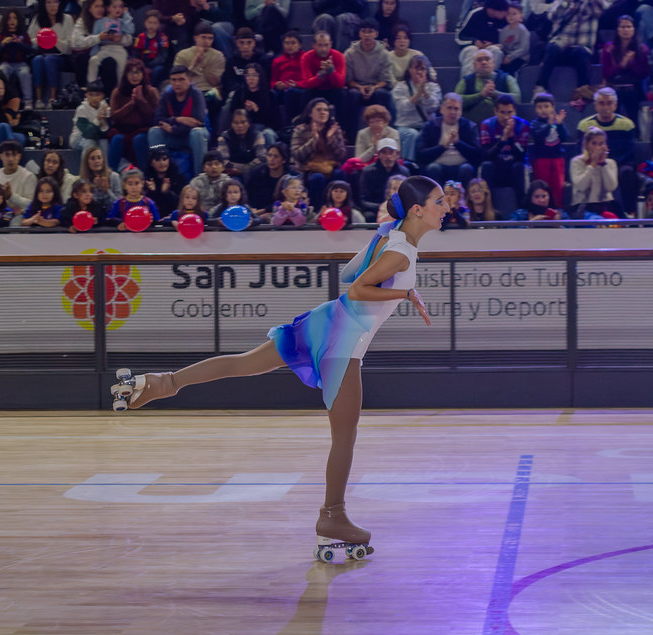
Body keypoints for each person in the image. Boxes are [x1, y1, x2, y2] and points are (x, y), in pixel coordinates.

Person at [113, 175, 448, 560]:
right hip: (342, 339)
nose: (447, 207)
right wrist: (404, 292)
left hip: (326, 321)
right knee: (345, 432)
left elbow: (346, 275)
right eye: (440, 201)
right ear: (419, 210)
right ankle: (332, 516)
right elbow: (357, 289)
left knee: (247, 364)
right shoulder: (401, 251)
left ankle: (162, 382)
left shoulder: (392, 239)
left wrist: (382, 239)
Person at [576, 86, 638, 214]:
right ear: (595, 106)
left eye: (609, 103)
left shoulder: (627, 125)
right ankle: (586, 213)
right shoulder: (584, 125)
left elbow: (630, 153)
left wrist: (609, 162)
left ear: (615, 105)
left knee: (628, 172)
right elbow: (581, 151)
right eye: (601, 103)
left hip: (620, 163)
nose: (605, 107)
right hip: (592, 162)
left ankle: (629, 213)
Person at [147, 65, 211, 178]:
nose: (177, 83)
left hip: (191, 137)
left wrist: (173, 128)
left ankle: (200, 177)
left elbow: (198, 122)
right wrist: (177, 119)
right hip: (174, 135)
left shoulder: (196, 94)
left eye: (181, 79)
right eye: (174, 80)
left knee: (197, 133)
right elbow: (157, 119)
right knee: (154, 131)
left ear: (189, 81)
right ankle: (157, 176)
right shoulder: (166, 94)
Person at [534, 0, 605, 95]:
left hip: (582, 48)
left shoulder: (590, 4)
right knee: (552, 48)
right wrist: (563, 4)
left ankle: (583, 89)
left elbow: (603, 7)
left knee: (579, 51)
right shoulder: (562, 3)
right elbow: (551, 17)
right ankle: (540, 86)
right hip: (561, 47)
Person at [290, 97, 348, 210]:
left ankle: (339, 210)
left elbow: (342, 155)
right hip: (308, 170)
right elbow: (297, 155)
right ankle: (316, 211)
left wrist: (331, 139)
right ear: (310, 113)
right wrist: (314, 141)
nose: (323, 113)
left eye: (326, 110)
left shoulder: (334, 130)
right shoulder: (300, 130)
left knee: (339, 175)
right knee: (318, 178)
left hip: (331, 168)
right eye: (319, 110)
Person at [415, 93, 482, 187]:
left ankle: (466, 201)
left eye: (456, 108)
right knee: (433, 168)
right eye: (449, 108)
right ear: (442, 109)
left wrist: (458, 143)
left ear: (461, 111)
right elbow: (420, 155)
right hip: (438, 166)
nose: (453, 112)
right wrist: (442, 147)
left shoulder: (469, 126)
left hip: (461, 166)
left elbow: (478, 155)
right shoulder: (430, 126)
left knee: (467, 169)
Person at [344, 19, 395, 138]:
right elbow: (348, 79)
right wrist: (359, 87)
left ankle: (383, 135)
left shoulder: (384, 53)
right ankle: (351, 137)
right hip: (357, 87)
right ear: (359, 34)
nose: (367, 35)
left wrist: (374, 87)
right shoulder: (350, 53)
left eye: (370, 32)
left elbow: (386, 80)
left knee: (383, 95)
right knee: (352, 95)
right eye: (363, 31)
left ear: (376, 34)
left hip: (376, 87)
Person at [107, 58, 159, 171]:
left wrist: (141, 101)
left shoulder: (151, 91)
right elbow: (114, 117)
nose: (135, 76)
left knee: (139, 140)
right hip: (122, 129)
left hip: (142, 129)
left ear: (143, 74)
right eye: (131, 72)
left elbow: (154, 116)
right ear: (126, 74)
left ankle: (145, 177)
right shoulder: (118, 92)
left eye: (138, 72)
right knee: (117, 139)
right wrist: (131, 104)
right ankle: (110, 176)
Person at [172, 21, 225, 128]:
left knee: (212, 99)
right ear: (195, 38)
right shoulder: (182, 54)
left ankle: (210, 135)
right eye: (203, 37)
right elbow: (177, 79)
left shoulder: (218, 56)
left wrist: (204, 65)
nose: (206, 41)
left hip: (209, 91)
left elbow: (216, 82)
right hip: (188, 90)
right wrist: (193, 63)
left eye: (210, 38)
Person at [480, 94, 530, 205]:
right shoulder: (486, 125)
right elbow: (487, 155)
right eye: (502, 112)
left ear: (515, 111)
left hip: (513, 167)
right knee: (487, 165)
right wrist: (503, 139)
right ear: (495, 111)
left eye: (509, 112)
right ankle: (487, 209)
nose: (506, 117)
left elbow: (521, 156)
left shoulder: (523, 125)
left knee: (519, 166)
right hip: (496, 166)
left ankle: (521, 210)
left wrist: (512, 137)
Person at [599, 14, 650, 122]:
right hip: (614, 85)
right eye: (622, 27)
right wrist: (622, 64)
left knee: (629, 93)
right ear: (617, 29)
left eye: (629, 26)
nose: (626, 30)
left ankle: (633, 133)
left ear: (634, 29)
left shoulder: (642, 49)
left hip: (634, 87)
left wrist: (631, 63)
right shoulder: (609, 48)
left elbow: (643, 73)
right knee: (616, 94)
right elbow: (607, 73)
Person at [391, 53, 440, 162]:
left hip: (426, 125)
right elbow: (403, 108)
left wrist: (425, 92)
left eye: (422, 69)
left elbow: (433, 107)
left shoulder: (433, 87)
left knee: (430, 134)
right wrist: (418, 93)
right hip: (405, 126)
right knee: (412, 135)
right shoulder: (400, 87)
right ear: (409, 69)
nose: (419, 72)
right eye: (416, 68)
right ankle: (408, 164)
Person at [28, 0, 75, 110]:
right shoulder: (38, 18)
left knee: (50, 59)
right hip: (41, 54)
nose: (52, 6)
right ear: (43, 5)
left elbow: (69, 47)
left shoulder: (67, 19)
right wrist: (43, 39)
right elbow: (29, 41)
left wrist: (53, 39)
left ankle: (52, 98)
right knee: (37, 60)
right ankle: (39, 100)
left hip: (61, 57)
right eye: (48, 2)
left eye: (55, 2)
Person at [455, 48, 521, 125]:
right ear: (474, 65)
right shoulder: (466, 81)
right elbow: (455, 101)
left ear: (493, 63)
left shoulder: (506, 78)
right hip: (471, 126)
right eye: (479, 60)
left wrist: (495, 93)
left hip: (502, 125)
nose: (483, 62)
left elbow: (517, 99)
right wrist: (481, 95)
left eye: (487, 59)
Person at [529, 92, 569, 209]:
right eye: (540, 107)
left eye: (546, 106)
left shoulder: (558, 122)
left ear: (553, 107)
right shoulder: (535, 124)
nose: (543, 110)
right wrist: (549, 124)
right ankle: (541, 209)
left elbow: (565, 137)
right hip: (542, 159)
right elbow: (538, 135)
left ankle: (557, 209)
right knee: (542, 186)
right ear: (535, 109)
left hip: (557, 159)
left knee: (557, 186)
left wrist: (560, 124)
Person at [222, 63, 280, 143]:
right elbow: (233, 113)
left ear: (260, 77)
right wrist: (244, 111)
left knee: (268, 134)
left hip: (264, 127)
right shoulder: (239, 92)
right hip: (243, 127)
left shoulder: (269, 94)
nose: (251, 78)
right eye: (248, 75)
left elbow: (274, 120)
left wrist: (257, 110)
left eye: (254, 75)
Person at [570, 126, 620, 216]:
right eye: (594, 143)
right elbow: (581, 186)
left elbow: (611, 187)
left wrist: (603, 164)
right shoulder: (576, 162)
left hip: (606, 204)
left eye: (601, 144)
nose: (598, 147)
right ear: (586, 145)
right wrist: (592, 165)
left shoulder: (610, 163)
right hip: (583, 205)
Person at [297, 31, 348, 118]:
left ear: (331, 44)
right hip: (315, 90)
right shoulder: (306, 57)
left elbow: (340, 83)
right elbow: (307, 83)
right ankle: (304, 124)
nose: (323, 49)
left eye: (326, 45)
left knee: (343, 94)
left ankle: (343, 128)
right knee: (305, 94)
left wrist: (332, 72)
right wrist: (321, 75)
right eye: (320, 45)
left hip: (332, 90)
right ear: (314, 45)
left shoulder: (339, 56)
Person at [0, 139, 36, 219]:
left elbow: (32, 204)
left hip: (20, 220)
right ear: (0, 156)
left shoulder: (29, 177)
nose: (11, 159)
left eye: (14, 155)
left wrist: (11, 196)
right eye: (7, 155)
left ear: (19, 156)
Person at [87, 0, 134, 88]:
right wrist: (94, 52)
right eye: (114, 7)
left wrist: (126, 15)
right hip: (104, 48)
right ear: (108, 8)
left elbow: (130, 31)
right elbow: (95, 38)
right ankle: (91, 85)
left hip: (119, 48)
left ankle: (120, 89)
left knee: (121, 69)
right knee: (93, 60)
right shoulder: (100, 22)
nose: (118, 9)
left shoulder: (122, 22)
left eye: (120, 7)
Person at [456, 0, 509, 77]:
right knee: (471, 50)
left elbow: (509, 42)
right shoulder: (475, 14)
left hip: (493, 47)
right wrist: (474, 42)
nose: (505, 13)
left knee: (495, 50)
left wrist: (495, 45)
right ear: (491, 10)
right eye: (503, 11)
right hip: (473, 47)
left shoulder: (506, 19)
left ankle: (490, 83)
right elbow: (460, 37)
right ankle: (468, 83)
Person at [359, 137, 409, 217]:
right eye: (384, 152)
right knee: (369, 215)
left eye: (391, 152)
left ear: (397, 154)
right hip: (376, 209)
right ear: (378, 154)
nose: (388, 156)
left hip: (399, 209)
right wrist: (382, 207)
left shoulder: (404, 172)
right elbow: (363, 201)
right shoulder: (367, 172)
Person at [0, 8, 33, 109]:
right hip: (6, 63)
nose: (12, 21)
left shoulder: (24, 34)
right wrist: (2, 44)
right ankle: (2, 98)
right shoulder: (1, 35)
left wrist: (19, 44)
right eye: (9, 18)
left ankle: (28, 100)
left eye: (14, 18)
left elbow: (30, 50)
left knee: (25, 73)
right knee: (1, 71)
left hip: (21, 63)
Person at [216, 108, 267, 180]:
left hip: (253, 171)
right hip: (233, 173)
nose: (239, 126)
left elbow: (262, 158)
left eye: (243, 122)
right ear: (231, 124)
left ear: (249, 123)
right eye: (236, 123)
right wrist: (238, 170)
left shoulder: (257, 135)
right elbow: (223, 161)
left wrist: (245, 169)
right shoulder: (224, 137)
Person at [271, 30, 305, 123]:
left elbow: (310, 79)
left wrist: (297, 84)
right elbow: (272, 82)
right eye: (287, 43)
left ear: (300, 45)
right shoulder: (277, 61)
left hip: (300, 90)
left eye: (293, 43)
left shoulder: (306, 58)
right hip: (282, 91)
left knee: (291, 92)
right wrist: (276, 85)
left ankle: (289, 124)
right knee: (271, 94)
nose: (290, 46)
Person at [78, 144, 122, 216]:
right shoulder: (83, 180)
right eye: (93, 158)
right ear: (87, 162)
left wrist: (107, 190)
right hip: (93, 216)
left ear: (103, 160)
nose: (96, 161)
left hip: (113, 215)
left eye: (99, 158)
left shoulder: (114, 177)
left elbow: (119, 204)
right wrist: (96, 189)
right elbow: (85, 204)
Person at [69, 80, 111, 155]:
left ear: (102, 96)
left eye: (97, 95)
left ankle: (106, 166)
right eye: (91, 95)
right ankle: (86, 166)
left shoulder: (105, 108)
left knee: (104, 142)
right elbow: (88, 133)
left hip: (97, 137)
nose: (94, 98)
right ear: (86, 95)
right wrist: (98, 119)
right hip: (79, 138)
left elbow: (105, 133)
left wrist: (103, 120)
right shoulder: (81, 109)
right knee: (90, 142)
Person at [144, 145, 187, 218]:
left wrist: (167, 193)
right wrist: (151, 192)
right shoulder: (146, 181)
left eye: (165, 159)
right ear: (151, 163)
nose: (162, 163)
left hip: (174, 219)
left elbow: (182, 204)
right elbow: (143, 204)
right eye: (157, 160)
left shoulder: (179, 178)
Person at [248, 142, 289, 215]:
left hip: (281, 213)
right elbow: (249, 195)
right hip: (256, 212)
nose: (271, 159)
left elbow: (287, 201)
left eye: (276, 156)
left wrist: (266, 211)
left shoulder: (289, 177)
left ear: (284, 160)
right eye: (269, 155)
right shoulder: (257, 172)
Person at [132, 9, 170, 88]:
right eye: (149, 22)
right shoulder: (140, 37)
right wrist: (141, 66)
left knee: (158, 70)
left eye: (154, 23)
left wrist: (150, 67)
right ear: (145, 23)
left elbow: (163, 57)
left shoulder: (163, 38)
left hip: (156, 64)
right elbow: (135, 54)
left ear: (159, 24)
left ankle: (152, 90)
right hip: (142, 63)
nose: (151, 25)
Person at [498, 1, 530, 76]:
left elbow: (524, 49)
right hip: (506, 55)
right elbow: (502, 45)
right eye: (509, 14)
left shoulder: (523, 30)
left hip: (519, 57)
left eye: (514, 14)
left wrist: (510, 57)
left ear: (520, 17)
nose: (511, 16)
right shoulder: (504, 30)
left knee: (510, 70)